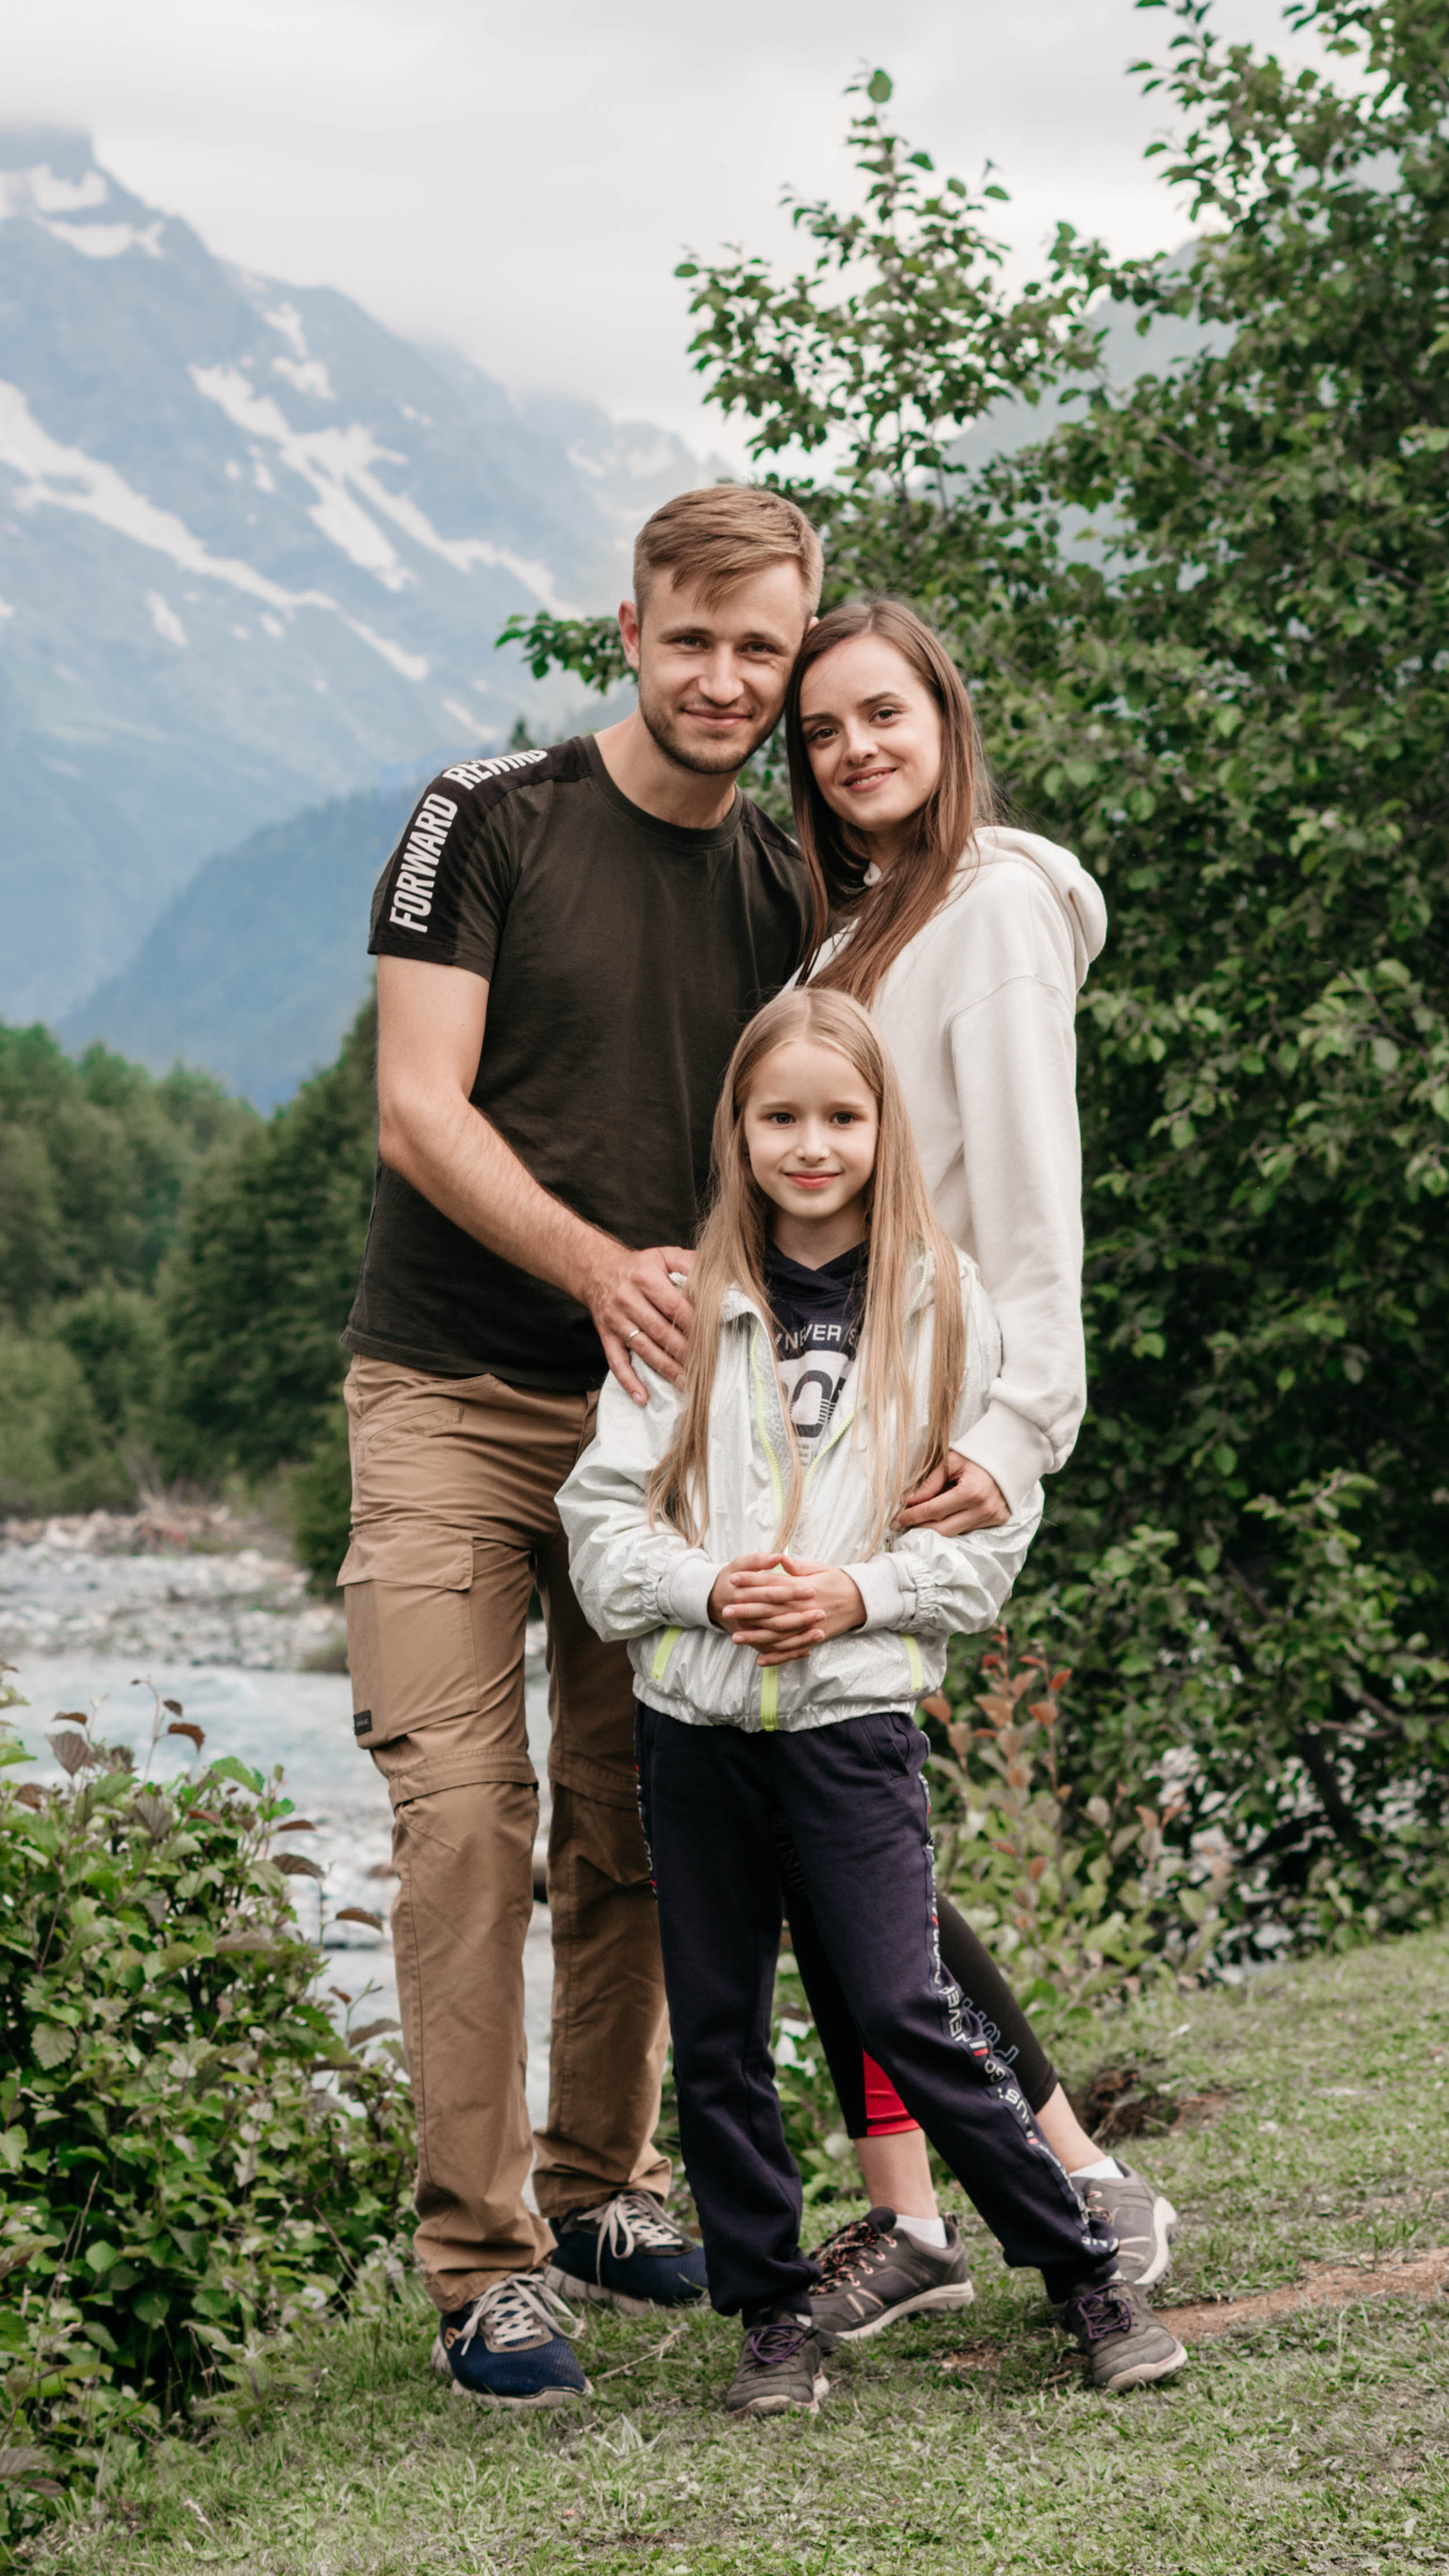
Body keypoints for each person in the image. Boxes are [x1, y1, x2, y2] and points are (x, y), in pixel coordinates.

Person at [339, 483, 826, 2409]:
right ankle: (481, 2265)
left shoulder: (784, 885)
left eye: (758, 651)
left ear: (787, 669)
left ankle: (604, 2182)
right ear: (625, 632)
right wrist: (592, 1265)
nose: (721, 678)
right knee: (466, 1824)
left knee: (636, 1819)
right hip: (450, 1396)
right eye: (689, 639)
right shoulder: (484, 815)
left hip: (664, 1426)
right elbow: (414, 1110)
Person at [559, 987, 1187, 2412]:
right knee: (717, 2030)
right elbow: (600, 1522)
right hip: (697, 1724)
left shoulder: (940, 1299)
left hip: (851, 1718)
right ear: (738, 1132)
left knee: (908, 2006)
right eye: (779, 1117)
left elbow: (985, 1539)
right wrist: (709, 1588)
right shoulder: (685, 1305)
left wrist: (858, 1597)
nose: (810, 1144)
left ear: (883, 1129)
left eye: (840, 1117)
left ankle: (1085, 2277)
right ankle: (771, 2321)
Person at [774, 595, 1181, 2341]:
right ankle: (985, 2191)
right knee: (840, 1840)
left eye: (881, 712)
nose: (852, 748)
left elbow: (1030, 1210)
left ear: (942, 713)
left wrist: (1014, 1438)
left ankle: (1057, 2190)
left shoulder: (992, 912)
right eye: (822, 730)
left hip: (934, 1437)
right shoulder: (863, 922)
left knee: (839, 1834)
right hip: (818, 1426)